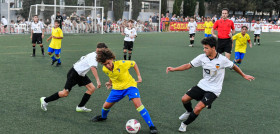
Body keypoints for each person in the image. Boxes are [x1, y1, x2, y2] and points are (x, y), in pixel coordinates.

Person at [166, 37, 255, 132]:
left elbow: (233, 66)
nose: (204, 50)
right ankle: (188, 111)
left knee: (197, 108)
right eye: (204, 48)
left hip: (214, 89)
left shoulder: (222, 59)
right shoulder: (202, 57)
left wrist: (244, 75)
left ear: (213, 48)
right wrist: (174, 69)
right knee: (184, 99)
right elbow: (188, 65)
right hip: (203, 85)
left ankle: (184, 124)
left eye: (206, 48)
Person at [91, 49, 158, 134]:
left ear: (112, 59)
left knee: (138, 105)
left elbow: (134, 63)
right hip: (117, 88)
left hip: (130, 86)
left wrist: (139, 76)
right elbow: (111, 75)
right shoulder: (104, 69)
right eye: (105, 64)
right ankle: (103, 117)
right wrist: (110, 83)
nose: (107, 66)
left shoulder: (121, 63)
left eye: (108, 63)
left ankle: (152, 126)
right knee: (105, 106)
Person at [40, 43, 108, 112]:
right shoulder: (94, 56)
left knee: (92, 88)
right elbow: (93, 68)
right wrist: (98, 80)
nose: (104, 52)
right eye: (103, 51)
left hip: (81, 74)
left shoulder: (95, 55)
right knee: (64, 93)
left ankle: (80, 107)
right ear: (98, 49)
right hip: (74, 73)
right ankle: (45, 100)